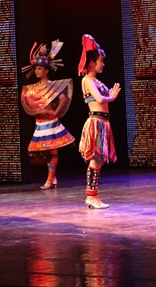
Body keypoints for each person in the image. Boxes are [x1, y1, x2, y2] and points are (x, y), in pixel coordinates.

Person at [20, 40, 74, 189]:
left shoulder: (52, 86)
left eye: (39, 69)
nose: (36, 71)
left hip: (50, 122)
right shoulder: (33, 88)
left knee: (53, 150)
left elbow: (63, 98)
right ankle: (53, 176)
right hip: (40, 122)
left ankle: (50, 179)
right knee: (44, 152)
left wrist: (55, 112)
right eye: (36, 69)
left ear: (46, 70)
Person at [78, 35, 119, 209]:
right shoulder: (87, 80)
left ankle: (93, 196)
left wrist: (109, 95)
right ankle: (91, 196)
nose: (103, 64)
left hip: (103, 123)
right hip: (96, 123)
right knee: (95, 159)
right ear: (92, 63)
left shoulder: (96, 81)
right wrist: (112, 97)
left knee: (99, 160)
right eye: (101, 61)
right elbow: (100, 99)